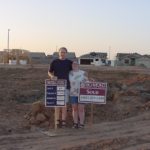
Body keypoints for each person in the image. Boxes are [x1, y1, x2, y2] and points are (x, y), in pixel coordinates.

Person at [48, 47, 72, 128]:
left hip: (66, 86)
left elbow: (76, 70)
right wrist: (52, 76)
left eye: (64, 52)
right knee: (57, 104)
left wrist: (86, 77)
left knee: (64, 105)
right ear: (58, 53)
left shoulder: (69, 62)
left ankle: (63, 121)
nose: (62, 53)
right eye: (61, 52)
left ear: (66, 53)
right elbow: (49, 72)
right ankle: (57, 122)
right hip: (56, 85)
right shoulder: (54, 62)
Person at [69, 60, 88, 129]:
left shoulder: (83, 73)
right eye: (73, 64)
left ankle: (82, 124)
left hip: (82, 94)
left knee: (81, 109)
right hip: (73, 93)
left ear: (78, 65)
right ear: (71, 65)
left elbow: (87, 82)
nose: (74, 65)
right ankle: (75, 123)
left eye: (76, 64)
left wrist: (91, 80)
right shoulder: (70, 73)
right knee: (74, 109)